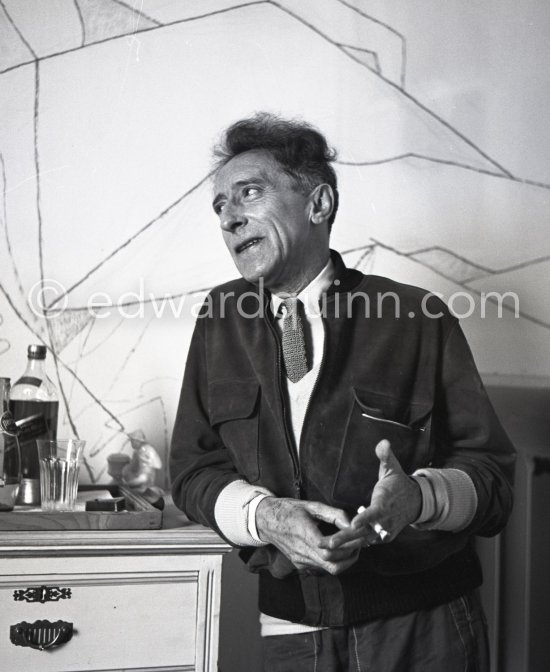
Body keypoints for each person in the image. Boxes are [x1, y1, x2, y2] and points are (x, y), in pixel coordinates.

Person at [170, 113, 515, 671]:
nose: (230, 218)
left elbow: (493, 479)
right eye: (220, 207)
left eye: (249, 193)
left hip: (423, 628)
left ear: (319, 204)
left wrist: (419, 500)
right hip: (289, 630)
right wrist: (267, 516)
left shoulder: (417, 316)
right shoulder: (219, 317)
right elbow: (191, 469)